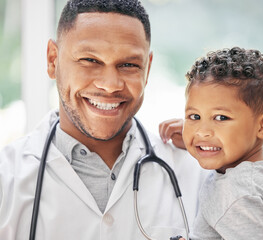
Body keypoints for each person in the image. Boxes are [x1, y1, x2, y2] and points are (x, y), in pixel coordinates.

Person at [0, 0, 209, 239]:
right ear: (52, 60)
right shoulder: (6, 181)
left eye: (129, 64)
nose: (110, 85)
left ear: (147, 69)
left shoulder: (199, 173)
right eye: (90, 60)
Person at [159, 47, 263, 239]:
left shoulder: (237, 194)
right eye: (195, 116)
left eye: (221, 117)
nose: (202, 131)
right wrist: (198, 140)